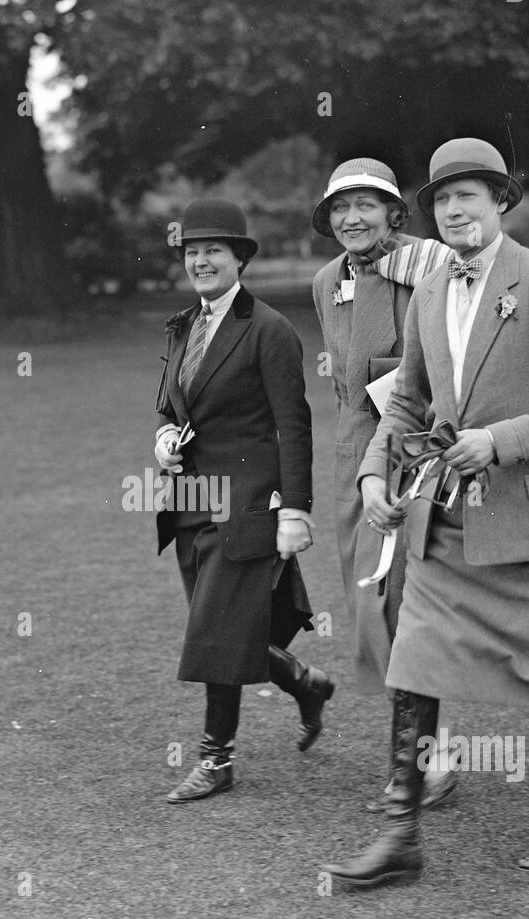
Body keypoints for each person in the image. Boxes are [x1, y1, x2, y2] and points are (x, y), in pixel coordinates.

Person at [321, 138, 529, 887]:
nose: (454, 210)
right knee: (414, 656)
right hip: (446, 518)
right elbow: (408, 399)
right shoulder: (429, 290)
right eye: (443, 200)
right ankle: (401, 832)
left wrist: (498, 441)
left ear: (500, 203)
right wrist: (372, 471)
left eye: (469, 197)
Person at [154, 198, 333, 804]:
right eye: (192, 252)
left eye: (214, 251)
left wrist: (296, 509)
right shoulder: (183, 325)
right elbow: (168, 405)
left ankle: (216, 759)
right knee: (225, 631)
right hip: (190, 504)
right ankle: (305, 684)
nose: (201, 261)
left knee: (215, 632)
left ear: (239, 260)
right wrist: (162, 442)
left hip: (249, 504)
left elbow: (294, 424)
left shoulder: (269, 330)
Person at [308, 158, 457, 812]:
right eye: (342, 208)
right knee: (367, 604)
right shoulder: (325, 282)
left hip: (407, 451)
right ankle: (425, 753)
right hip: (348, 458)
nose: (353, 219)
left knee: (395, 601)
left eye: (368, 205)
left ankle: (430, 760)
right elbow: (344, 382)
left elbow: (429, 377)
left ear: (395, 212)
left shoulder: (424, 268)